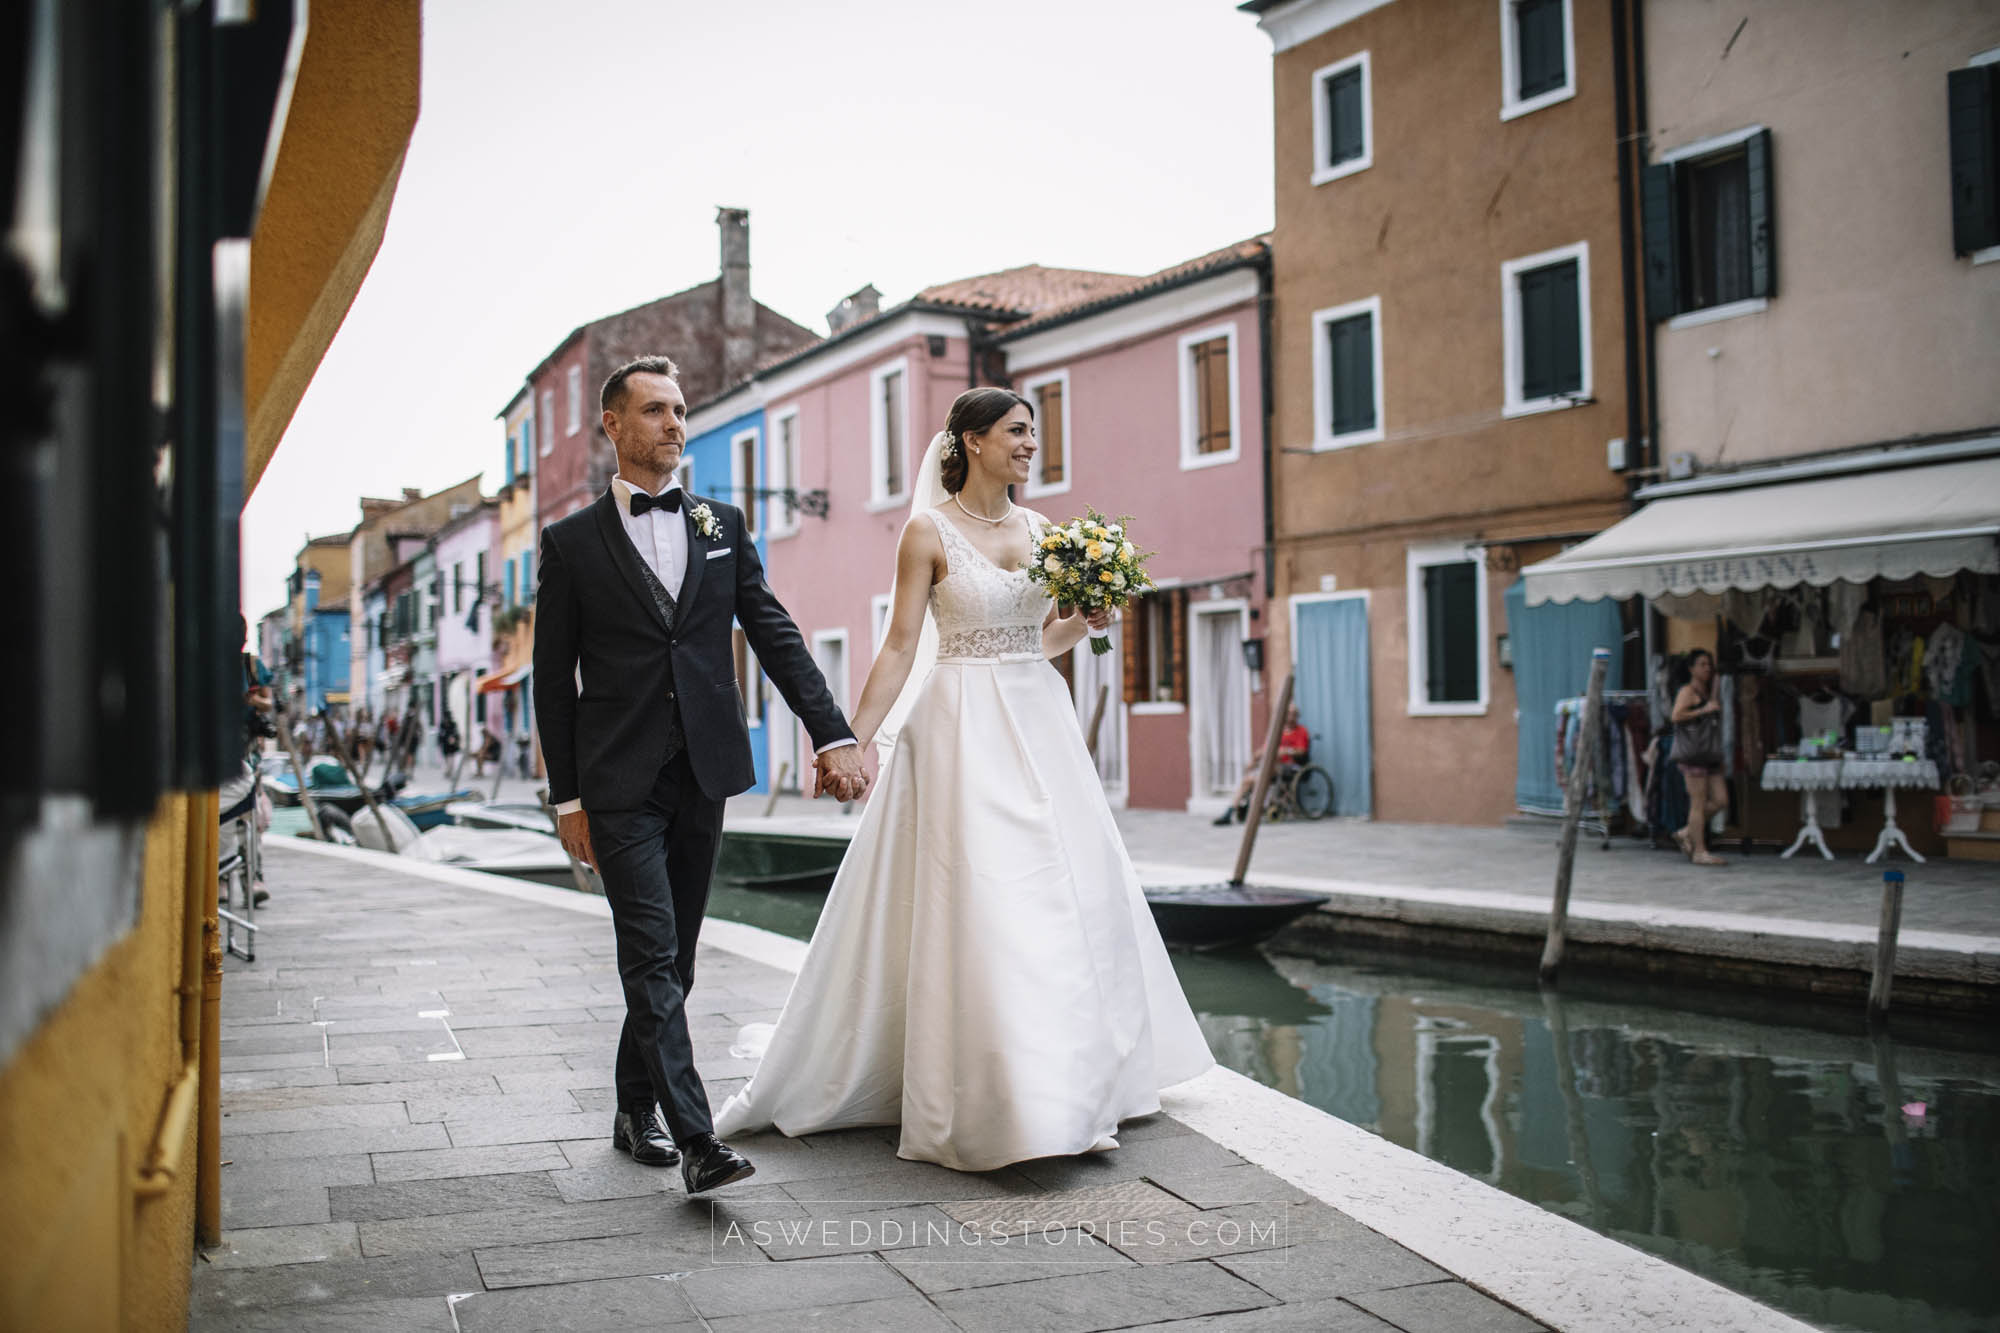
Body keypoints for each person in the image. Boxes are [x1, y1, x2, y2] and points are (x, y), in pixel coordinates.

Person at [714, 387, 1213, 1172]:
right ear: (971, 441)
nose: (1029, 445)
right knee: (988, 894)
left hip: (1039, 722)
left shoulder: (1046, 531)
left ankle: (1075, 1080)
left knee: (1067, 891)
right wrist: (853, 736)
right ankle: (998, 1094)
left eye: (1033, 434)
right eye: (1017, 432)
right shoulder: (927, 532)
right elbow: (902, 645)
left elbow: (1037, 638)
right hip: (961, 728)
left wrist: (1086, 622)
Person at [534, 355, 865, 1194]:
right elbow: (551, 681)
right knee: (648, 953)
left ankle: (630, 1104)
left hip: (703, 770)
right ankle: (696, 1139)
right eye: (654, 410)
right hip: (616, 782)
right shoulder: (570, 545)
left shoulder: (723, 524)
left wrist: (831, 733)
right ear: (613, 425)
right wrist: (566, 795)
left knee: (674, 960)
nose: (674, 424)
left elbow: (774, 632)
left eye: (680, 409)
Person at [1671, 648, 1729, 866]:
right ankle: (1699, 851)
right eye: (1702, 664)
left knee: (1721, 799)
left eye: (1709, 664)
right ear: (1691, 668)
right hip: (1693, 754)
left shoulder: (1707, 690)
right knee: (1698, 802)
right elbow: (1676, 715)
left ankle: (1686, 832)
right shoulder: (1688, 691)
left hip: (1709, 754)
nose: (1707, 668)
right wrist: (1703, 710)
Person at [1214, 703, 1310, 825]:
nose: (1291, 717)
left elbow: (1302, 751)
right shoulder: (1278, 732)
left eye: (1294, 714)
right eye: (1288, 714)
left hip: (1290, 766)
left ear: (1297, 716)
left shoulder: (1301, 731)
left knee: (1271, 760)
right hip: (1272, 767)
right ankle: (1230, 811)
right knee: (1247, 780)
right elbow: (1266, 750)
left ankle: (1255, 804)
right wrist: (1255, 759)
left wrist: (1286, 751)